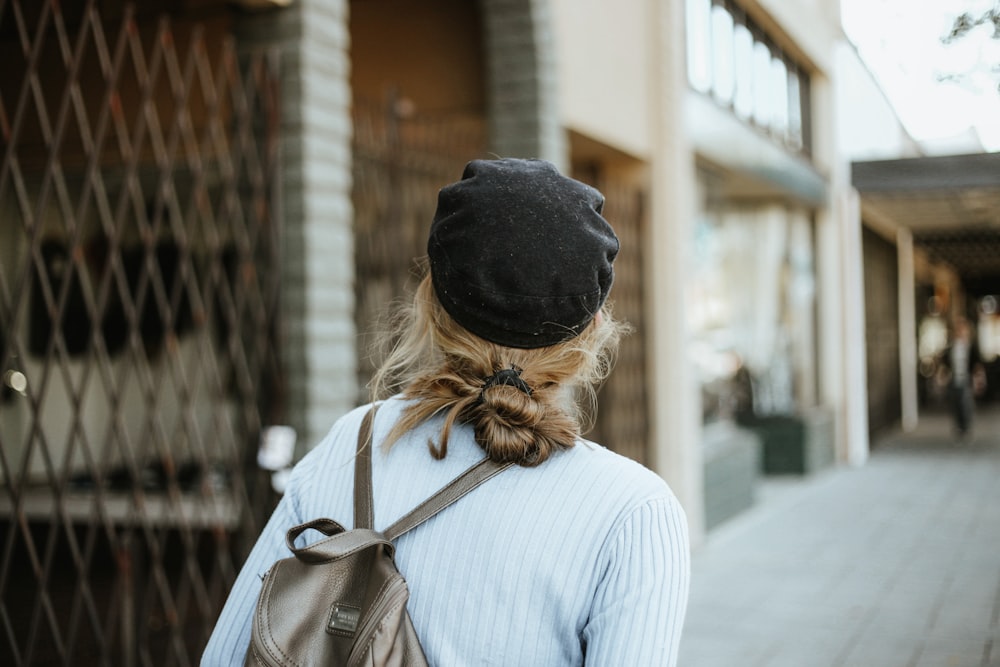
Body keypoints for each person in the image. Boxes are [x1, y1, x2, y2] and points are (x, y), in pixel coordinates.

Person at [202, 158, 691, 666]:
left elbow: (224, 656)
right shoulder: (633, 513)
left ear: (431, 303)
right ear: (591, 328)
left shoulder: (354, 440)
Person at [940, 316, 984, 440]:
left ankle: (966, 426)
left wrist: (978, 379)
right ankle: (959, 426)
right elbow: (945, 364)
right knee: (955, 403)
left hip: (966, 379)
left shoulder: (971, 347)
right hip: (954, 379)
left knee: (966, 403)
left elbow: (976, 364)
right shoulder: (951, 348)